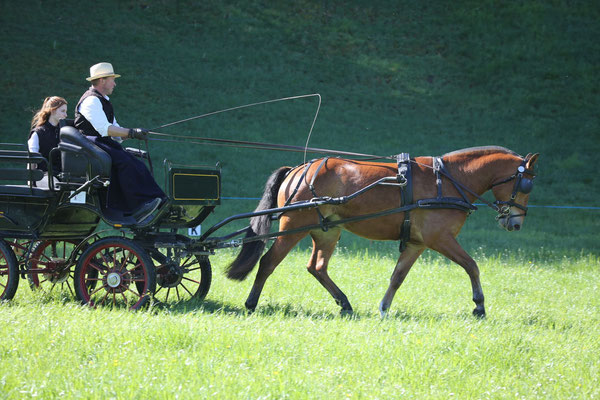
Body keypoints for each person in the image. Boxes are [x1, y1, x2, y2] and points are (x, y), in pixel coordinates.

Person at [74, 62, 166, 222]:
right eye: (112, 79)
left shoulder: (103, 101)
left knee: (136, 163)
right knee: (125, 162)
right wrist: (131, 132)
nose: (114, 83)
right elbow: (105, 129)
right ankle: (137, 207)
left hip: (102, 143)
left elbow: (116, 131)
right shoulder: (91, 101)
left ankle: (157, 200)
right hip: (90, 144)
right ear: (102, 80)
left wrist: (133, 133)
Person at [28, 96, 68, 187]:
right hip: (42, 175)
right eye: (62, 111)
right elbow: (32, 159)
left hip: (62, 175)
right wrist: (31, 180)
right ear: (53, 111)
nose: (66, 115)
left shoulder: (65, 132)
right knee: (56, 186)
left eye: (66, 111)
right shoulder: (38, 133)